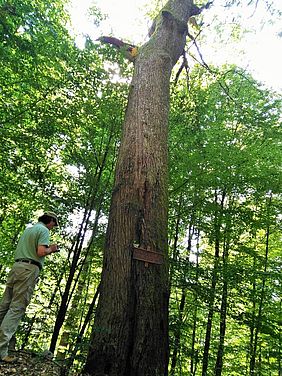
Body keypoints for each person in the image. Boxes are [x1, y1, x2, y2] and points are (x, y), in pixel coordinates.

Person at [0, 211, 60, 363]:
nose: (53, 227)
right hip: (29, 269)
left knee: (4, 306)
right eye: (54, 224)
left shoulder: (29, 230)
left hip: (16, 267)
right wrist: (51, 249)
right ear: (50, 220)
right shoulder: (44, 230)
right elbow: (41, 252)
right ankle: (1, 352)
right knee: (16, 308)